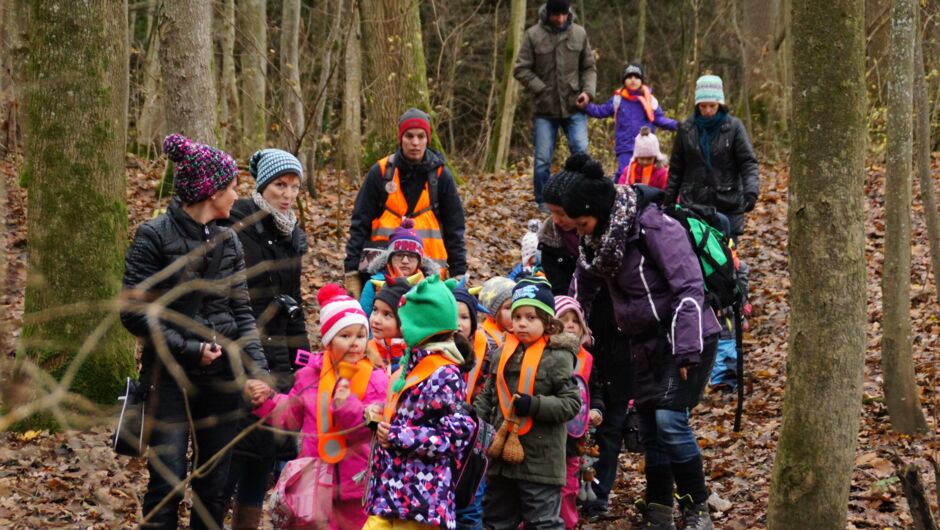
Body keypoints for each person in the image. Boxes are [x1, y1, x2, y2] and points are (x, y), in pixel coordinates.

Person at [120, 134, 270, 530]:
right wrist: (189, 348)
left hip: (221, 381)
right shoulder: (152, 236)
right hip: (167, 376)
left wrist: (257, 372)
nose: (238, 194)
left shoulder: (230, 239)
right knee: (166, 483)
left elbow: (242, 312)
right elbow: (134, 314)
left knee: (215, 484)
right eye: (232, 187)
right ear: (211, 192)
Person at [563, 154, 720, 530]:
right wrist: (566, 331)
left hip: (686, 335)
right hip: (641, 343)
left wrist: (686, 349)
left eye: (582, 223)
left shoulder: (652, 226)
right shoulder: (597, 244)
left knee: (669, 421)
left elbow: (689, 287)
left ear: (596, 212)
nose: (580, 232)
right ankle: (659, 510)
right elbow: (579, 292)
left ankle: (697, 507)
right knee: (650, 429)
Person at [218, 147, 311, 528]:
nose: (287, 194)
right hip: (243, 355)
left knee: (264, 453)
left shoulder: (290, 234)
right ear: (263, 187)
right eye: (279, 186)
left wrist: (303, 364)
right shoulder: (237, 227)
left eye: (294, 186)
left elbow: (294, 303)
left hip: (279, 357)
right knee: (232, 452)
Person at [248, 285, 387, 530]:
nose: (355, 343)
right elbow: (289, 416)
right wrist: (268, 400)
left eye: (360, 335)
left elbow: (370, 429)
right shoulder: (309, 375)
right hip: (314, 479)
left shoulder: (376, 379)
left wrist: (347, 406)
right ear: (328, 340)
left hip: (356, 482)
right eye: (345, 336)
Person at [538, 160, 632, 521]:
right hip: (574, 335)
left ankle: (601, 491)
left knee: (612, 413)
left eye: (562, 212)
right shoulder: (552, 241)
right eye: (553, 213)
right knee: (574, 414)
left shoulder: (610, 232)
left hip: (618, 331)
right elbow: (556, 291)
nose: (559, 220)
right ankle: (569, 490)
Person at [364, 274, 475, 530]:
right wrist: (380, 415)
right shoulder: (409, 364)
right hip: (389, 491)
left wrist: (397, 436)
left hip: (421, 501)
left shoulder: (444, 373)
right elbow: (410, 414)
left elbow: (453, 437)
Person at [473, 276, 581, 530]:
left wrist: (534, 405)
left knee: (542, 523)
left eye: (531, 318)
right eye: (518, 316)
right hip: (501, 460)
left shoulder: (558, 358)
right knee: (496, 521)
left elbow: (571, 403)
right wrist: (475, 420)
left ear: (547, 322)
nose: (522, 323)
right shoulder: (501, 354)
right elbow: (488, 395)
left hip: (540, 462)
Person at [344, 108, 467, 297]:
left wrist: (459, 273)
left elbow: (455, 230)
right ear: (400, 138)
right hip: (382, 276)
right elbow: (359, 224)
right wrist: (352, 271)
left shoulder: (441, 177)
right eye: (409, 136)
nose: (415, 142)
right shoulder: (381, 172)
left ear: (428, 139)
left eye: (421, 136)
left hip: (430, 278)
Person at [514, 0, 597, 212]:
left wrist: (588, 93)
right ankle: (543, 202)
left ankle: (583, 196)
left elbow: (589, 67)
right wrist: (541, 88)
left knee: (581, 151)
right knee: (542, 159)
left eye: (563, 14)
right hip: (545, 108)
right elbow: (521, 68)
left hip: (574, 106)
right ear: (547, 14)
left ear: (569, 12)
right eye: (556, 15)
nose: (560, 19)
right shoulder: (533, 35)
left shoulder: (579, 33)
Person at [664, 74, 759, 239]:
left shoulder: (734, 127)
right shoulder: (686, 129)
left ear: (720, 104)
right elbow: (676, 169)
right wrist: (668, 201)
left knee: (727, 257)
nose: (708, 111)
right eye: (703, 106)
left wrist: (751, 191)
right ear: (697, 105)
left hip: (727, 202)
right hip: (693, 204)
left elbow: (748, 162)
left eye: (712, 106)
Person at [553, 295, 603, 530]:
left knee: (570, 484)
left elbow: (596, 389)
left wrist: (596, 409)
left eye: (576, 320)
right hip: (549, 431)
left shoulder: (587, 359)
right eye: (564, 319)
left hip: (576, 435)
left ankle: (567, 524)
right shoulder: (546, 354)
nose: (571, 324)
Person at [581, 63, 678, 178]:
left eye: (637, 77)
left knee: (647, 175)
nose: (633, 80)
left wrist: (678, 125)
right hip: (625, 146)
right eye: (629, 77)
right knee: (624, 174)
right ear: (624, 80)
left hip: (646, 147)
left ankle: (644, 195)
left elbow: (659, 119)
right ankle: (617, 194)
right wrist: (585, 106)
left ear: (641, 81)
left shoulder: (650, 100)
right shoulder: (617, 100)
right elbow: (600, 111)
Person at [359, 218, 438, 318]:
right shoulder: (373, 284)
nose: (405, 261)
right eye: (399, 255)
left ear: (420, 262)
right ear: (389, 258)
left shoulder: (431, 286)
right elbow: (363, 321)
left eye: (412, 256)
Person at [368, 279, 411, 373]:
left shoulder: (414, 356)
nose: (376, 320)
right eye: (375, 310)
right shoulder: (366, 351)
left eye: (387, 314)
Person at [477, 277, 516, 352]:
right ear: (492, 315)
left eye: (517, 304)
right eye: (508, 307)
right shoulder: (487, 342)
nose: (515, 310)